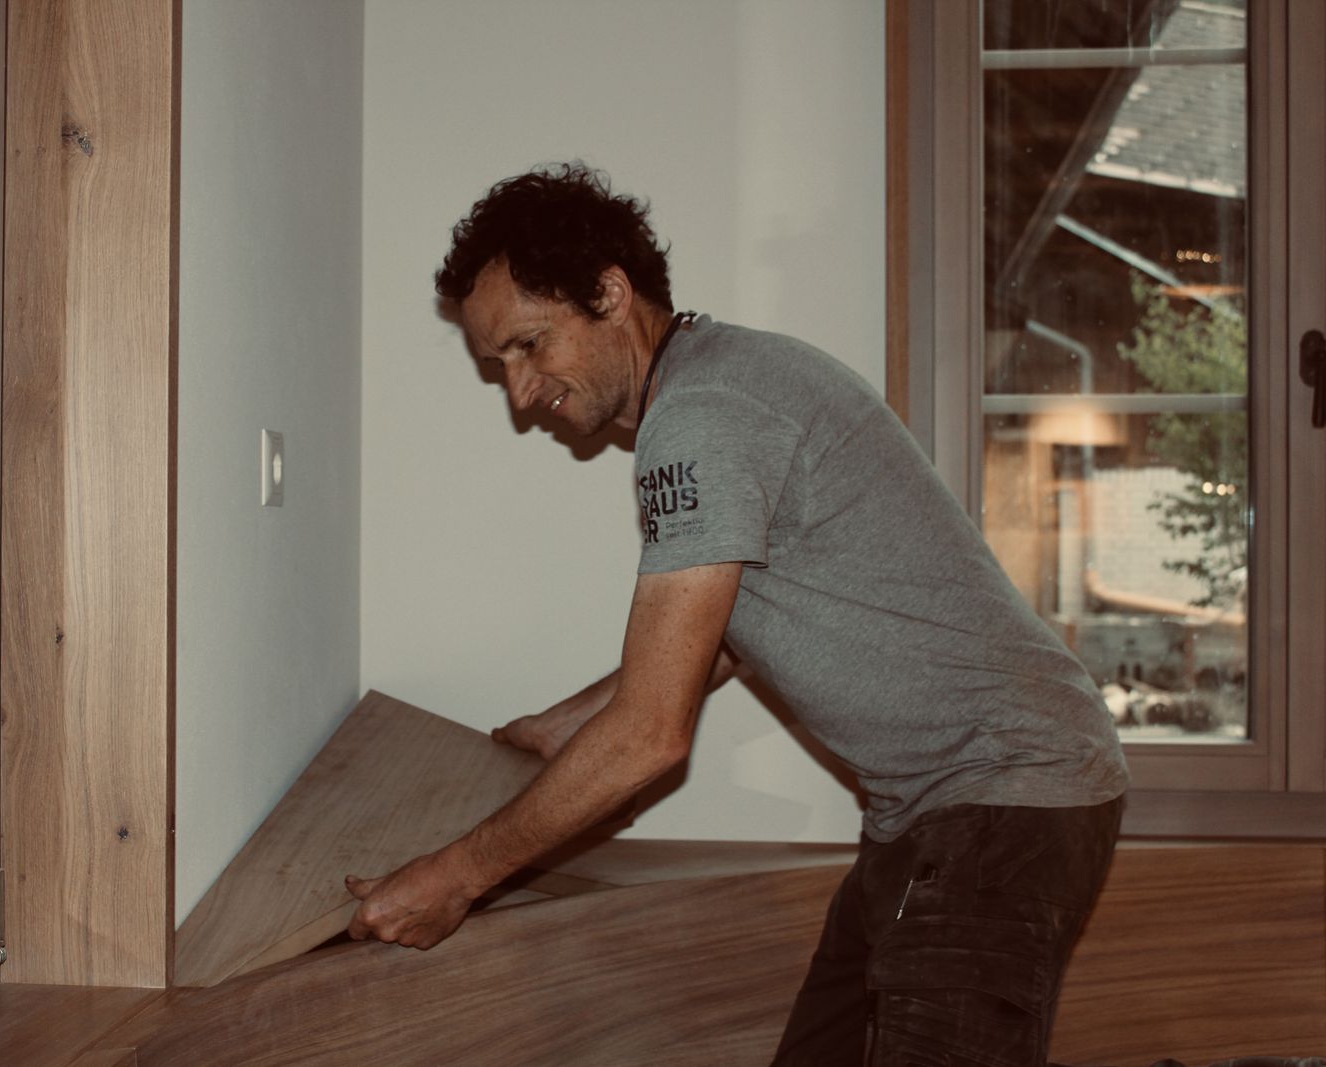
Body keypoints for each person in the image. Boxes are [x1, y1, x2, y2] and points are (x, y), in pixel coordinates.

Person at [345, 162, 1129, 1066]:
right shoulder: (723, 380)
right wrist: (568, 723)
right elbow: (730, 628)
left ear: (609, 293)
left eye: (530, 345)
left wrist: (456, 876)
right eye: (501, 366)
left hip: (998, 799)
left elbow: (651, 734)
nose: (522, 393)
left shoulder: (701, 418)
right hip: (941, 807)